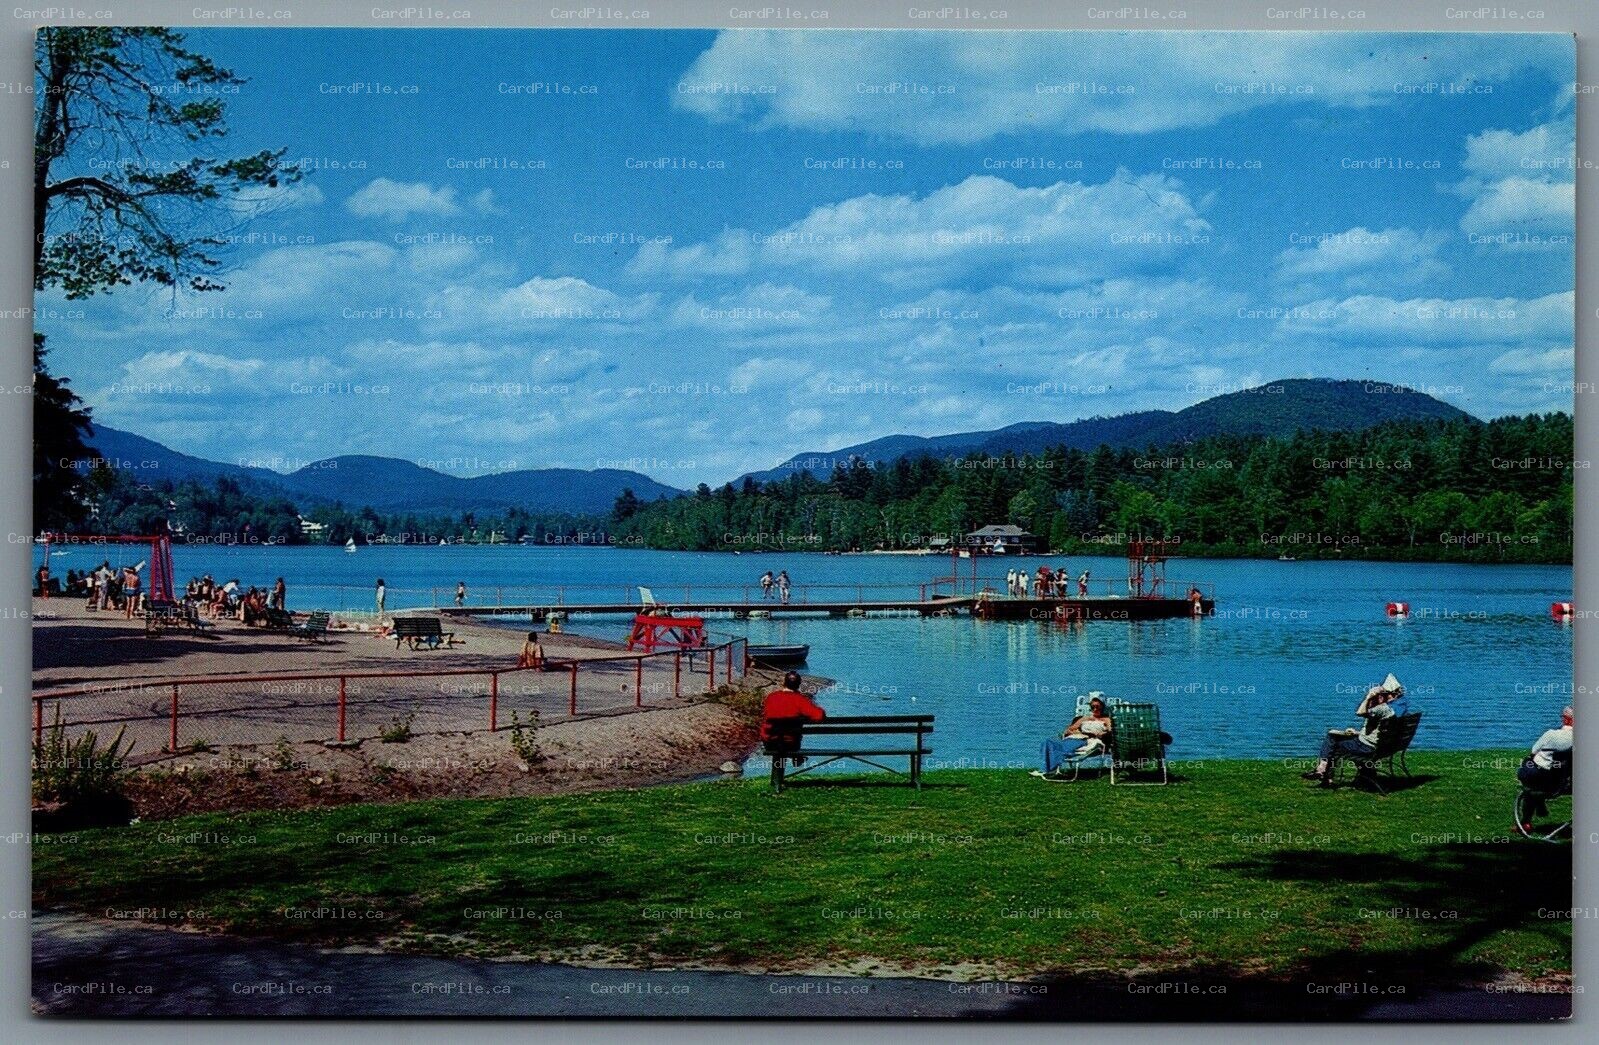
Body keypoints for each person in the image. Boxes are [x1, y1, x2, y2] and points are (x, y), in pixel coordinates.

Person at [1302, 673, 1409, 786]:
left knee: (1333, 742)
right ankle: (1365, 774)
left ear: (1388, 694)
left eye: (1383, 693)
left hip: (1368, 747)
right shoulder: (1400, 707)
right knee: (1335, 736)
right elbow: (1380, 731)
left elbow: (1360, 712)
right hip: (1386, 746)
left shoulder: (1383, 709)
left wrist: (1368, 696)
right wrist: (1357, 733)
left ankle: (1324, 773)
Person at [1034, 695, 1115, 778]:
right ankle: (1048, 768)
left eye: (1098, 707)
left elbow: (1111, 731)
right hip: (1076, 737)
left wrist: (1102, 734)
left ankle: (1047, 769)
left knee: (1062, 748)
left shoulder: (1106, 719)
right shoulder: (1084, 718)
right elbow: (1069, 730)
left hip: (1088, 740)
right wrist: (1078, 731)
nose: (1095, 709)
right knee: (1048, 742)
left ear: (1102, 706)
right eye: (1092, 707)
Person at [761, 671, 825, 765]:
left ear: (784, 683)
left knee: (781, 735)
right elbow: (819, 716)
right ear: (798, 685)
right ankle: (796, 757)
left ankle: (787, 765)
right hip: (790, 744)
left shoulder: (771, 697)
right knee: (792, 733)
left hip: (770, 742)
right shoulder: (800, 700)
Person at [1518, 706, 1573, 799]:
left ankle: (1530, 794)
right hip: (1559, 778)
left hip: (1541, 774)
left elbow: (1533, 751)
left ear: (1565, 720)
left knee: (1526, 763)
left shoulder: (1551, 734)